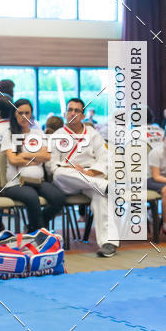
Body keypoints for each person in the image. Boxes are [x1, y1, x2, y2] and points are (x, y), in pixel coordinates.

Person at [49, 97, 118, 257]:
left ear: (83, 115)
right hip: (68, 180)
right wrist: (73, 168)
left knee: (100, 196)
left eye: (77, 110)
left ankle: (108, 243)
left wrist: (92, 172)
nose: (72, 113)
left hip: (90, 176)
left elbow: (105, 157)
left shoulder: (93, 134)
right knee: (58, 174)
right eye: (70, 110)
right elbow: (52, 165)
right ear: (65, 113)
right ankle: (105, 186)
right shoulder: (58, 135)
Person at [0, 99, 66, 232]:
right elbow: (13, 160)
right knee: (32, 197)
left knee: (59, 198)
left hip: (37, 182)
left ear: (31, 114)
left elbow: (46, 156)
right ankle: (39, 232)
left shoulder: (38, 133)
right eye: (20, 113)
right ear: (14, 115)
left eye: (27, 113)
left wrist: (24, 155)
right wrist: (36, 157)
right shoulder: (9, 134)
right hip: (15, 184)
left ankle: (34, 227)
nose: (24, 116)